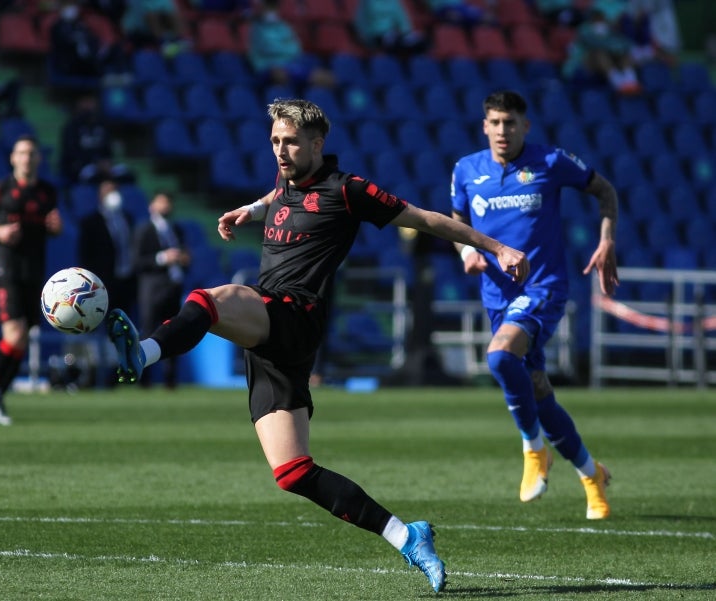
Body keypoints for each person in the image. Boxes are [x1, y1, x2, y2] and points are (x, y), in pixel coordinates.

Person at [104, 99, 531, 593]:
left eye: (289, 143)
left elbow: (427, 219)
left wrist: (497, 248)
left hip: (294, 313)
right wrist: (252, 208)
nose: (280, 152)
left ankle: (144, 353)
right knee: (292, 472)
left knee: (210, 299)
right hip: (270, 338)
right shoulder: (286, 180)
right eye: (274, 142)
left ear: (316, 144)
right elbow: (280, 193)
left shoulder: (348, 191)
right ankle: (406, 536)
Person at [449, 90, 618, 520]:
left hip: (543, 287)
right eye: (495, 122)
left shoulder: (550, 162)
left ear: (525, 126)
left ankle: (533, 449)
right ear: (484, 125)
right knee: (538, 392)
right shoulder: (466, 170)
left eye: (510, 123)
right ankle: (591, 474)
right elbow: (457, 220)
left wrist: (606, 240)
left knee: (500, 355)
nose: (502, 130)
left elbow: (605, 191)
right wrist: (465, 251)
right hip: (496, 296)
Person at [0, 135, 62, 425]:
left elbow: (52, 228)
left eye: (32, 153)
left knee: (21, 337)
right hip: (6, 269)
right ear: (13, 158)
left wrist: (55, 228)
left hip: (34, 271)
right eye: (21, 153)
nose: (27, 158)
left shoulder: (47, 192)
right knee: (15, 332)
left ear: (38, 159)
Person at [132, 190, 190, 389]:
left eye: (168, 202)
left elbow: (185, 257)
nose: (165, 206)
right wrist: (163, 258)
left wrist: (183, 260)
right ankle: (144, 380)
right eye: (161, 202)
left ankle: (170, 380)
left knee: (173, 332)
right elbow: (137, 261)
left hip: (173, 288)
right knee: (148, 333)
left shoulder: (177, 230)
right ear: (152, 205)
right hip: (152, 290)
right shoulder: (144, 230)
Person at [78, 177, 137, 318]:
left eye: (115, 190)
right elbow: (85, 254)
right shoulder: (90, 222)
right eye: (108, 191)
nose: (112, 194)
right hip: (103, 281)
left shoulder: (127, 218)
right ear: (100, 195)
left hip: (126, 279)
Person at [245, 0, 335, 89]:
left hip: (291, 65)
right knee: (279, 74)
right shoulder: (255, 28)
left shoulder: (284, 26)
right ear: (261, 7)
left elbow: (295, 48)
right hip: (267, 67)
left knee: (325, 77)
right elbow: (267, 49)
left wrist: (279, 48)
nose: (271, 10)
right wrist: (284, 46)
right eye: (268, 7)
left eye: (273, 7)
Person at [562, 3, 643, 95]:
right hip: (578, 70)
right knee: (600, 54)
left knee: (623, 54)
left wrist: (616, 45)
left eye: (602, 18)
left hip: (600, 73)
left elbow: (626, 44)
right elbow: (597, 44)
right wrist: (614, 46)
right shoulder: (584, 30)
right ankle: (618, 83)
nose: (600, 21)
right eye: (597, 18)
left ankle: (630, 80)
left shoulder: (610, 32)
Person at [59, 94, 130, 185]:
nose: (89, 105)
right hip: (81, 167)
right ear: (78, 103)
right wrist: (96, 163)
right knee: (94, 178)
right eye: (85, 101)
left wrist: (106, 162)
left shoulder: (102, 125)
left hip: (104, 165)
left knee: (127, 175)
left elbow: (108, 150)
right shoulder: (71, 127)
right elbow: (71, 154)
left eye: (91, 101)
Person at [354, 0, 427, 56]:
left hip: (394, 34)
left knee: (420, 41)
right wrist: (368, 39)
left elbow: (402, 18)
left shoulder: (393, 1)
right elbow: (360, 21)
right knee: (395, 42)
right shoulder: (367, 2)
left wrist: (407, 33)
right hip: (375, 35)